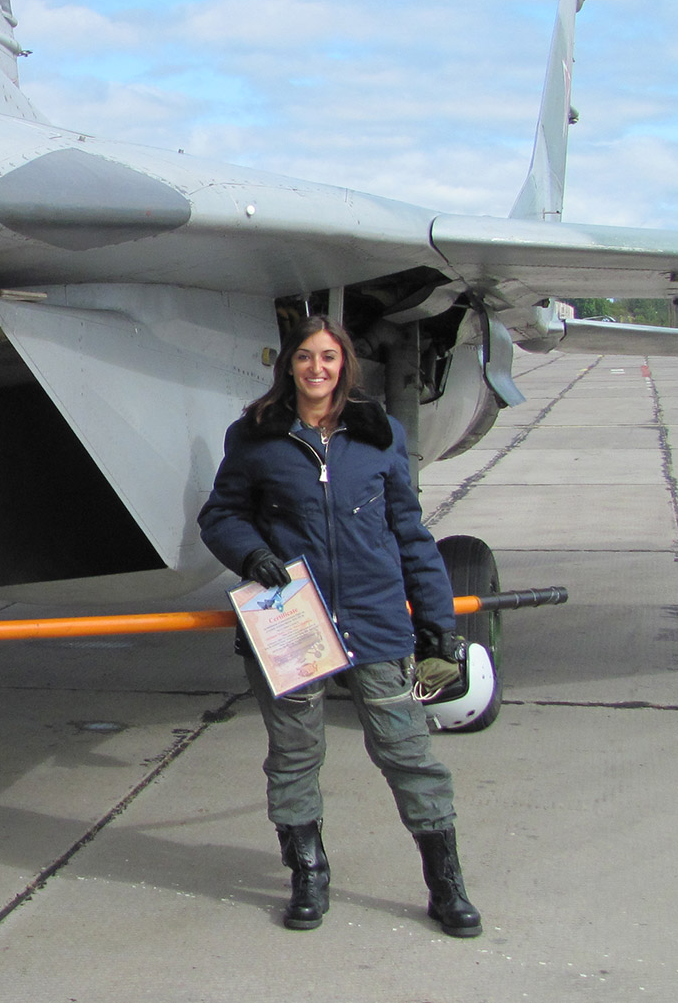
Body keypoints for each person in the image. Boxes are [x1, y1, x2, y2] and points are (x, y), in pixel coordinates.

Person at [196, 314, 481, 937]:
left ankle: (446, 885)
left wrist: (437, 624)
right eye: (305, 357)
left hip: (376, 624)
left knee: (408, 755)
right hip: (291, 623)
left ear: (343, 364)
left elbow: (410, 533)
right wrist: (251, 555)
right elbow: (219, 515)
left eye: (328, 357)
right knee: (295, 755)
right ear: (289, 365)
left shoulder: (379, 436)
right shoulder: (255, 436)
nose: (317, 368)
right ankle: (309, 874)